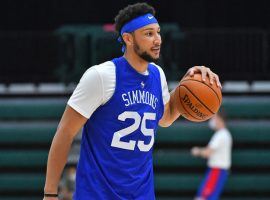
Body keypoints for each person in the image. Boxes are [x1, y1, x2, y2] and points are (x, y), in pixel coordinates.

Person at [44, 3, 221, 200]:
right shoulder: (102, 76)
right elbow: (66, 131)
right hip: (98, 195)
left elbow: (165, 118)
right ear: (128, 38)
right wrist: (50, 193)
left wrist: (188, 82)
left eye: (158, 32)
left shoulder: (157, 75)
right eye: (148, 34)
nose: (157, 40)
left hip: (142, 195)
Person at [191, 111, 232, 200]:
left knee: (204, 197)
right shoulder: (224, 134)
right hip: (217, 170)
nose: (212, 121)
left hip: (217, 170)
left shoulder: (221, 135)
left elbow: (207, 152)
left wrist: (197, 151)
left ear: (220, 120)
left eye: (214, 118)